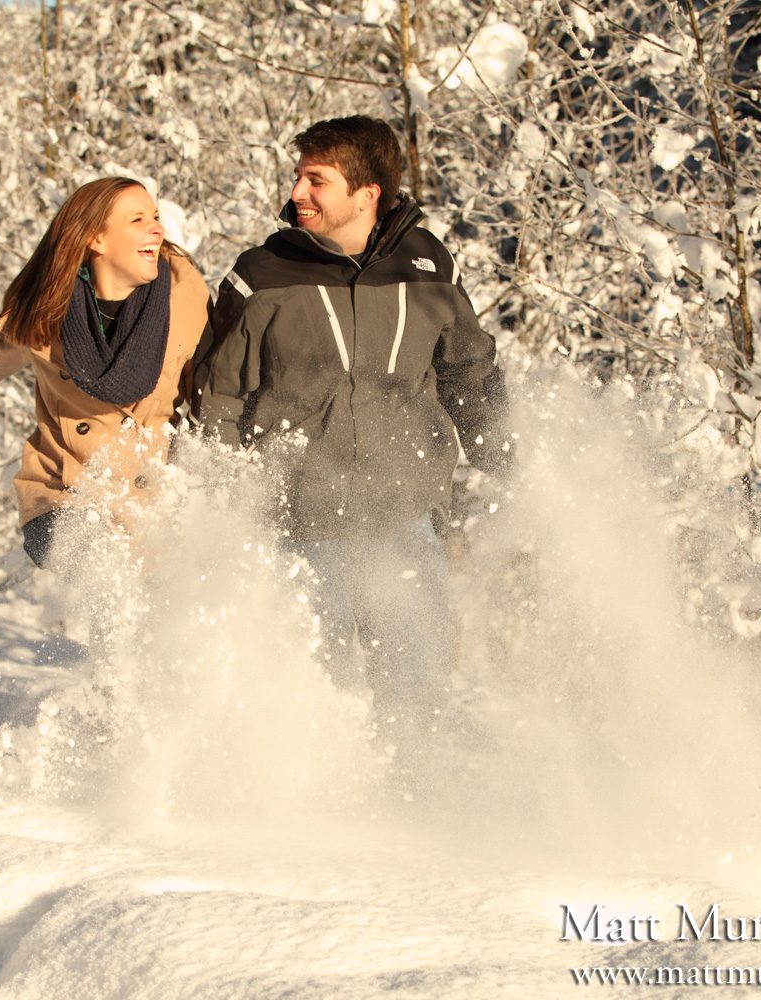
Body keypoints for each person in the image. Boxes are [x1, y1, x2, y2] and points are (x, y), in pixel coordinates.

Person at [192, 116, 511, 751]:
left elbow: (467, 370)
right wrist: (215, 501)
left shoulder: (427, 266)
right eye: (299, 176)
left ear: (366, 193)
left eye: (317, 179)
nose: (298, 192)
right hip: (300, 529)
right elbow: (217, 396)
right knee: (313, 711)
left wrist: (508, 463)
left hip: (405, 523)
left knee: (418, 704)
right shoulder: (264, 273)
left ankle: (418, 827)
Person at [0, 177, 210, 566]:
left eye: (155, 217)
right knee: (105, 578)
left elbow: (212, 393)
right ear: (96, 240)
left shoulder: (183, 299)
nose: (156, 228)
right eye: (137, 220)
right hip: (63, 493)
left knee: (151, 612)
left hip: (150, 501)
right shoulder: (47, 310)